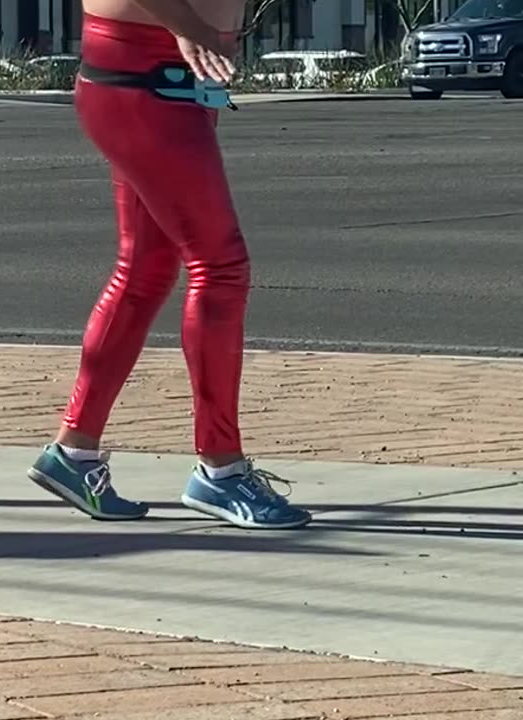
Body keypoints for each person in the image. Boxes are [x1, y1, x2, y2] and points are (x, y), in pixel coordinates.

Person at [26, 0, 312, 530]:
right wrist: (193, 28)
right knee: (220, 267)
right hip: (145, 77)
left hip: (168, 81)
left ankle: (74, 452)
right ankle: (221, 470)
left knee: (144, 268)